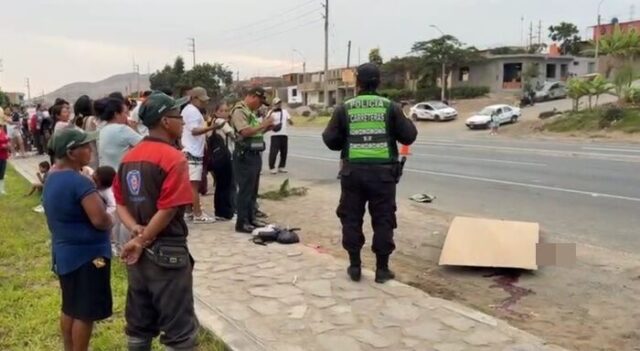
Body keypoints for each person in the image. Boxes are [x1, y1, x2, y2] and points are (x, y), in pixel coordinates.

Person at [113, 91, 199, 351]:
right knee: (179, 330)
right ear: (165, 121)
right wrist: (143, 238)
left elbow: (120, 203)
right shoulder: (173, 158)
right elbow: (169, 208)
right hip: (166, 251)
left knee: (139, 323)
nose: (182, 122)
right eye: (178, 116)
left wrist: (134, 231)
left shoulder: (129, 158)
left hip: (137, 257)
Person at [322, 63, 418, 284]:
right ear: (379, 82)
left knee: (351, 218)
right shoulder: (390, 107)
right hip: (383, 175)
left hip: (352, 173)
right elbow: (409, 137)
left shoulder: (345, 108)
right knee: (383, 219)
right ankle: (382, 270)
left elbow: (330, 140)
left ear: (357, 83)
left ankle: (355, 266)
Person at [42, 128, 113, 351]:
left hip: (64, 254)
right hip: (88, 257)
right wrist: (112, 217)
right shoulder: (80, 182)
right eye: (85, 146)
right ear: (72, 153)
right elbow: (100, 220)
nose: (90, 149)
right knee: (85, 312)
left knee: (70, 306)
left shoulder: (52, 177)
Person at [229, 87, 273, 233]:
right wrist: (263, 124)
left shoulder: (250, 112)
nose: (260, 105)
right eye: (260, 101)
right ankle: (242, 222)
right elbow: (245, 132)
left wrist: (267, 128)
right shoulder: (239, 110)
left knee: (253, 190)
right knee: (245, 190)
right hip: (244, 155)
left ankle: (251, 217)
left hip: (254, 153)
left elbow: (254, 132)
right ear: (253, 97)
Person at [181, 87, 217, 223]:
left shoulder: (191, 111)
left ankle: (189, 211)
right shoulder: (192, 112)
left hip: (192, 150)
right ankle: (197, 214)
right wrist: (212, 128)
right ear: (194, 98)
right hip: (192, 151)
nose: (204, 103)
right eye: (202, 100)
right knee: (193, 186)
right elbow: (194, 131)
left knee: (190, 185)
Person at [207, 101, 235, 220]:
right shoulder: (220, 122)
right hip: (224, 158)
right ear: (216, 112)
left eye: (226, 110)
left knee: (221, 185)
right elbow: (233, 134)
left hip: (218, 158)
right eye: (221, 111)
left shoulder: (212, 122)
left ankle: (221, 211)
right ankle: (224, 212)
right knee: (225, 186)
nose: (224, 113)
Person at [97, 98, 143, 170]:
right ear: (116, 114)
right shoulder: (122, 129)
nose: (127, 116)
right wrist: (134, 128)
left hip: (106, 173)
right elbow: (145, 144)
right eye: (125, 113)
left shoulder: (103, 129)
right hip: (121, 174)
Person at [268, 97, 293, 174]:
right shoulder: (271, 112)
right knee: (274, 152)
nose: (279, 105)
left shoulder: (285, 111)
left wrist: (290, 121)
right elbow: (267, 121)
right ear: (274, 104)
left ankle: (281, 166)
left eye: (280, 103)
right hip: (275, 135)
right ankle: (272, 167)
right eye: (277, 103)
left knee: (284, 152)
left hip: (284, 134)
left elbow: (290, 120)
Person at [0, 117, 9, 195]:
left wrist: (7, 145)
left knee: (2, 173)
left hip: (3, 156)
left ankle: (1, 189)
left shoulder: (3, 132)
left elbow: (7, 139)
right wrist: (2, 146)